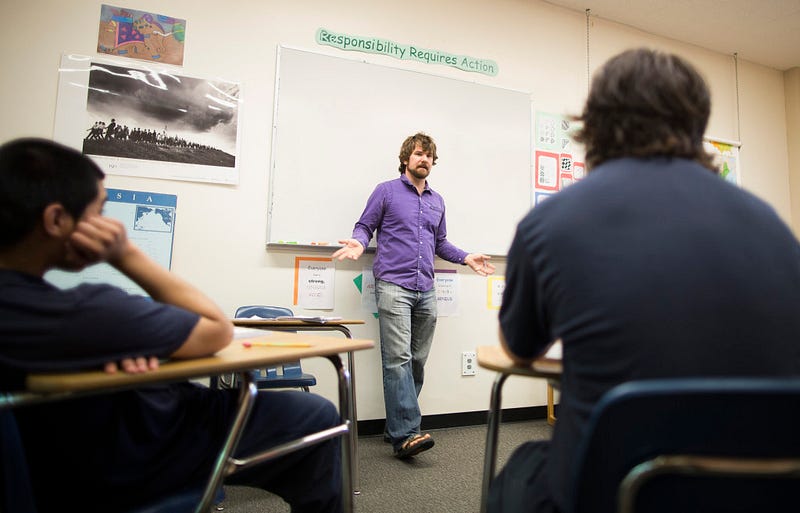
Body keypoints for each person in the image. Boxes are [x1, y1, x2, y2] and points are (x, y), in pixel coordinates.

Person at [490, 48, 800, 513]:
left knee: (519, 468)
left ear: (594, 123)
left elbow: (520, 347)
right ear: (696, 124)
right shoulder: (771, 223)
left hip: (615, 492)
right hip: (769, 489)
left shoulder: (552, 222)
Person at [0, 138, 343, 513]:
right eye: (99, 211)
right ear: (56, 220)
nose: (109, 225)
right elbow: (216, 328)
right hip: (144, 449)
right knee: (317, 415)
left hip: (70, 456)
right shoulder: (85, 311)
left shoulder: (31, 309)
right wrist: (126, 254)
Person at [333, 132, 496, 458]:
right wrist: (359, 242)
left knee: (416, 362)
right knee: (398, 361)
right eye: (419, 154)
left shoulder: (437, 201)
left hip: (426, 288)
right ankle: (406, 434)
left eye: (429, 156)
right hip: (393, 285)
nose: (424, 159)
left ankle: (396, 425)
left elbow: (440, 244)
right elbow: (365, 226)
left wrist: (466, 257)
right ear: (406, 157)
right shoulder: (386, 191)